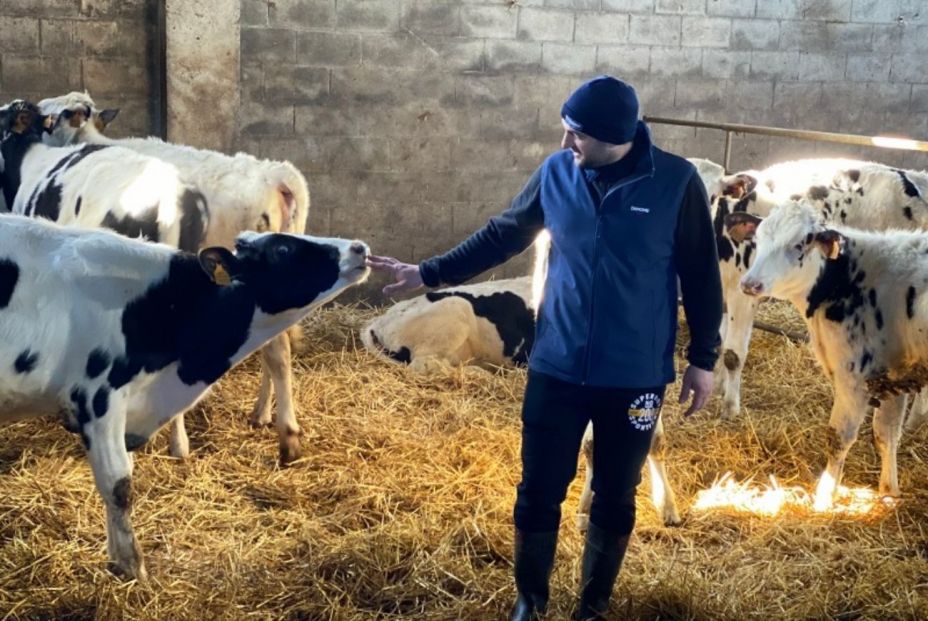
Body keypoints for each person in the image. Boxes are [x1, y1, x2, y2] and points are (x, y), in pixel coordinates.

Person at [367, 75, 722, 621]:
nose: (564, 144)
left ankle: (592, 607)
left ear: (614, 137)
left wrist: (703, 359)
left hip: (634, 375)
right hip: (556, 364)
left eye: (576, 134)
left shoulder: (675, 183)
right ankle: (530, 600)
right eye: (565, 130)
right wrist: (427, 272)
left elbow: (701, 275)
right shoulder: (557, 174)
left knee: (614, 495)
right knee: (537, 490)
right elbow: (502, 234)